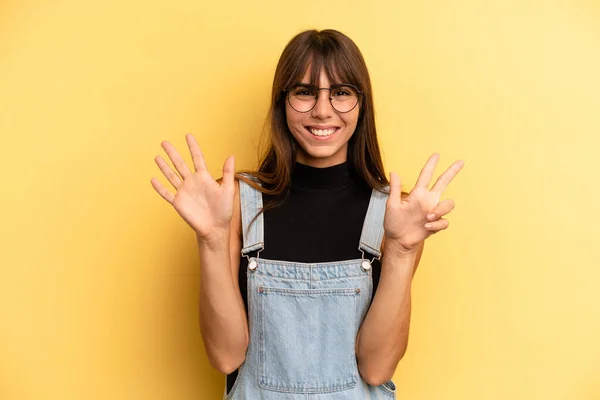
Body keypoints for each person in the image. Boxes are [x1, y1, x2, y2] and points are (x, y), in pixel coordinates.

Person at [150, 29, 464, 399]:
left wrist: (402, 250)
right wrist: (212, 239)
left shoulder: (395, 215)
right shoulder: (234, 203)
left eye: (341, 93)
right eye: (305, 92)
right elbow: (225, 356)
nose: (323, 109)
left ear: (362, 104)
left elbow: (377, 368)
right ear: (282, 101)